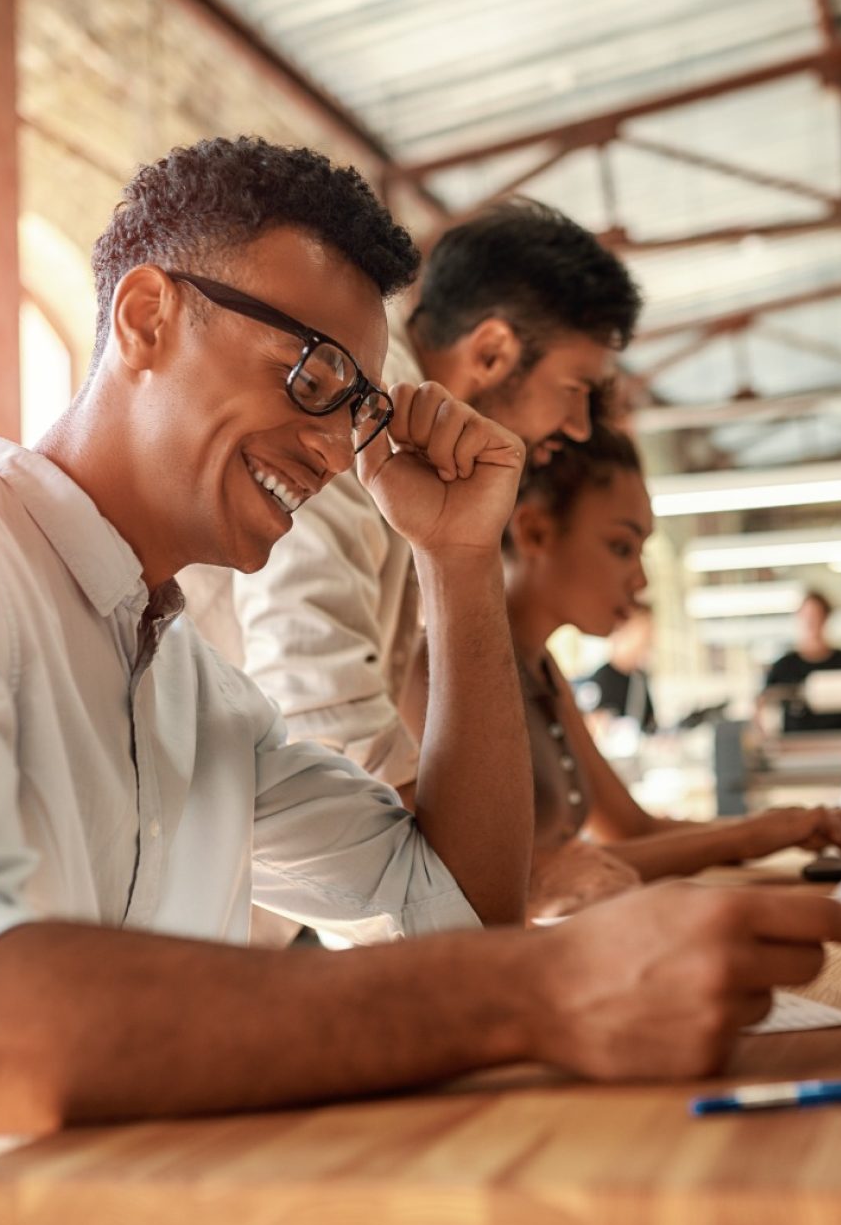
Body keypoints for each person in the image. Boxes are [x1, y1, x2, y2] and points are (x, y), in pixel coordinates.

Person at [0, 138, 841, 1225]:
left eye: (359, 404)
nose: (336, 447)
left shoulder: (191, 686)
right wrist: (534, 992)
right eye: (313, 374)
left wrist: (455, 561)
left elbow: (451, 907)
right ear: (146, 316)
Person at [184, 198, 640, 813]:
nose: (581, 426)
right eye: (575, 389)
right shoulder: (366, 408)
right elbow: (317, 687)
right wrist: (448, 883)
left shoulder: (417, 433)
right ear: (492, 352)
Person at [503, 424, 841, 918]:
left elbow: (631, 831)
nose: (639, 580)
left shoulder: (544, 668)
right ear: (534, 531)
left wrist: (779, 826)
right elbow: (539, 876)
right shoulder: (453, 669)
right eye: (622, 547)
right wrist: (749, 834)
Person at [763, 590, 841, 732]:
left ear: (826, 617)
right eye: (807, 616)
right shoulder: (783, 667)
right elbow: (764, 705)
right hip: (793, 747)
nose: (811, 622)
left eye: (816, 616)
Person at [577, 600, 657, 734]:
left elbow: (650, 726)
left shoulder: (639, 680)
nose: (650, 640)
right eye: (644, 633)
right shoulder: (598, 683)